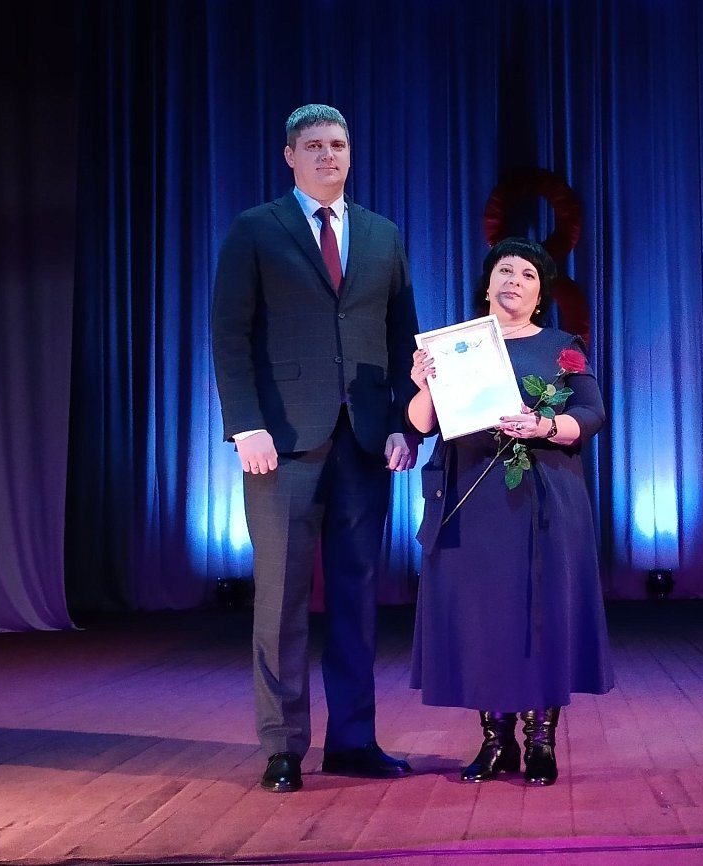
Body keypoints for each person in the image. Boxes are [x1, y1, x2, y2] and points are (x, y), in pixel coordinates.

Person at [210, 104, 421, 793]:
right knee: (280, 601)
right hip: (282, 444)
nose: (328, 155)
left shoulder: (383, 235)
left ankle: (354, 741)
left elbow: (402, 337)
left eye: (337, 144)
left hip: (365, 440)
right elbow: (230, 334)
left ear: (350, 154)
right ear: (290, 156)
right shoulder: (256, 229)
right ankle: (282, 746)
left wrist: (404, 423)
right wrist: (246, 425)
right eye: (314, 146)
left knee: (358, 599)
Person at [406, 237, 613, 786]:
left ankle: (540, 741)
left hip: (540, 497)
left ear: (540, 294)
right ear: (488, 284)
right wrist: (425, 382)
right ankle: (495, 742)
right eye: (505, 270)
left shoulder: (562, 347)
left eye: (527, 274)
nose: (514, 281)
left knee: (539, 614)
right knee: (482, 618)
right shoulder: (455, 345)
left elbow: (591, 414)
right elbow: (422, 423)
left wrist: (543, 425)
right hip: (470, 498)